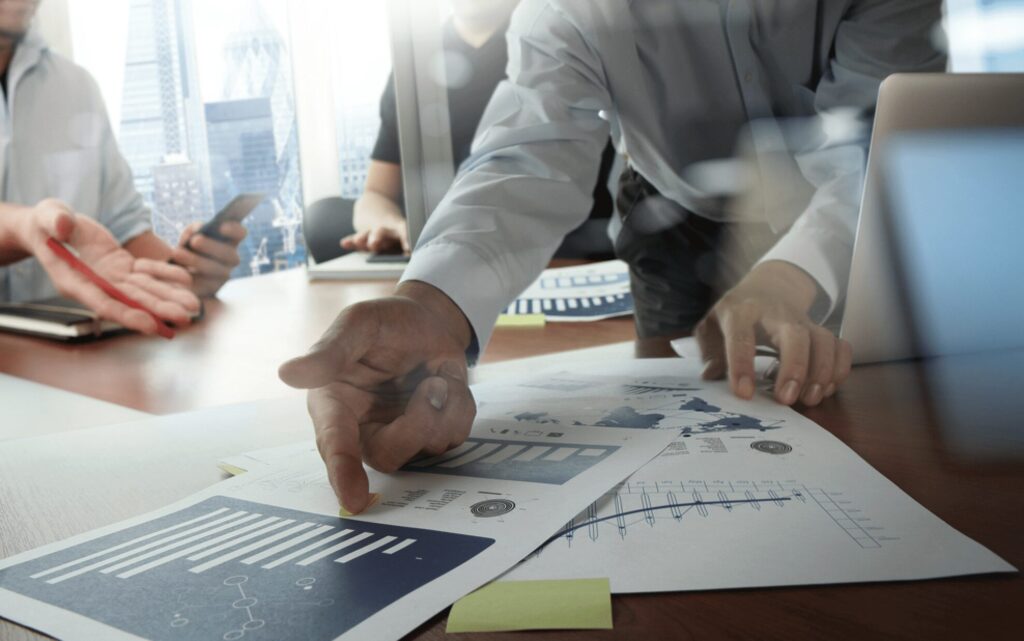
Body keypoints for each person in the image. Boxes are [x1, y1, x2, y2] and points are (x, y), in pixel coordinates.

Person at [280, 0, 946, 513]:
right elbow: (530, 157)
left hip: (848, 205)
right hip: (672, 213)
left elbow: (878, 145)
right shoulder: (564, 9)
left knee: (870, 419)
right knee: (700, 427)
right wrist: (430, 306)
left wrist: (793, 274)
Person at [0, 0, 244, 335]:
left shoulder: (76, 87)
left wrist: (183, 276)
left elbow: (124, 227)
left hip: (73, 355)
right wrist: (21, 227)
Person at [341, 0, 615, 257]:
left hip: (559, 241)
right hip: (446, 247)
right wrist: (393, 225)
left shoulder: (557, 42)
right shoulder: (415, 63)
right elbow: (375, 195)